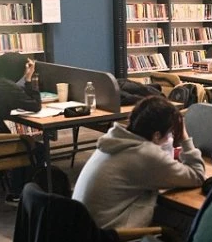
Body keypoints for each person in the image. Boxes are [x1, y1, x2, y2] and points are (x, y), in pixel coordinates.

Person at [73, 95, 205, 229]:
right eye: (170, 133)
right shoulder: (145, 153)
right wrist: (184, 137)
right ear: (157, 135)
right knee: (186, 220)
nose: (169, 138)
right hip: (110, 234)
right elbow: (197, 175)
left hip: (85, 229)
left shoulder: (114, 139)